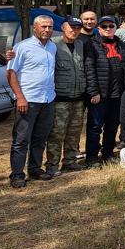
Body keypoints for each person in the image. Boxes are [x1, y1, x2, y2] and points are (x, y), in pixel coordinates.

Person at [6, 15, 58, 188]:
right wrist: (20, 97)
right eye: (43, 26)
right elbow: (11, 73)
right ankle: (17, 174)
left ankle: (35, 169)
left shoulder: (52, 47)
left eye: (50, 27)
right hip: (28, 100)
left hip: (48, 99)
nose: (47, 30)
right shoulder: (22, 47)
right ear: (34, 28)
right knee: (21, 140)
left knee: (40, 138)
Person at [84, 16, 125, 167]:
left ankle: (107, 154)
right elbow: (89, 69)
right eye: (104, 26)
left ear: (116, 27)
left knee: (112, 126)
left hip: (118, 94)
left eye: (110, 26)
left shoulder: (121, 44)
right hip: (100, 94)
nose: (107, 29)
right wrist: (93, 92)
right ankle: (92, 157)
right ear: (98, 28)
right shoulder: (92, 44)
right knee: (95, 127)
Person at [44, 17, 89, 177]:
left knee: (74, 132)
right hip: (60, 98)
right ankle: (52, 165)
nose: (74, 30)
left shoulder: (80, 44)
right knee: (57, 133)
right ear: (63, 27)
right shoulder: (52, 45)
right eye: (71, 27)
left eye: (78, 28)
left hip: (78, 98)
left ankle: (69, 161)